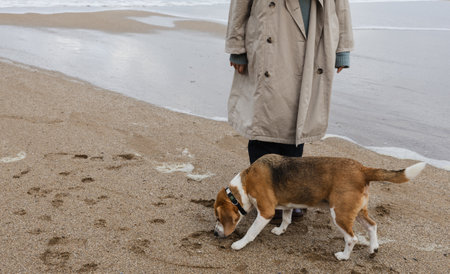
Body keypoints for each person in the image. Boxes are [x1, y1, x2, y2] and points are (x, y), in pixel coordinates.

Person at [225, 0, 354, 218]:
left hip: (313, 33)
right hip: (271, 34)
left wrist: (342, 48)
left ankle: (290, 195)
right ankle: (265, 196)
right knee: (264, 124)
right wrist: (237, 47)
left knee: (297, 121)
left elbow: (340, 3)